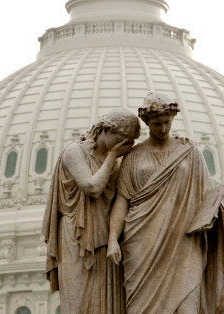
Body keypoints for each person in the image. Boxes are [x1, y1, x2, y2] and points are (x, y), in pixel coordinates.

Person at [107, 93, 224, 313]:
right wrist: (112, 239)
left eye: (167, 122)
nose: (163, 128)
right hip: (142, 243)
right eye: (157, 123)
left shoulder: (189, 153)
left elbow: (207, 197)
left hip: (184, 241)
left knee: (187, 307)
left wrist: (211, 215)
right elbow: (122, 201)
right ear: (147, 123)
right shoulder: (134, 157)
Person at [42, 108, 141, 313]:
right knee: (79, 302)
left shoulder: (120, 160)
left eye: (131, 141)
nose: (127, 146)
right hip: (77, 235)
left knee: (107, 305)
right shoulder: (75, 152)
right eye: (123, 139)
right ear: (105, 130)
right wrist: (113, 156)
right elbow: (92, 188)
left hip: (106, 238)